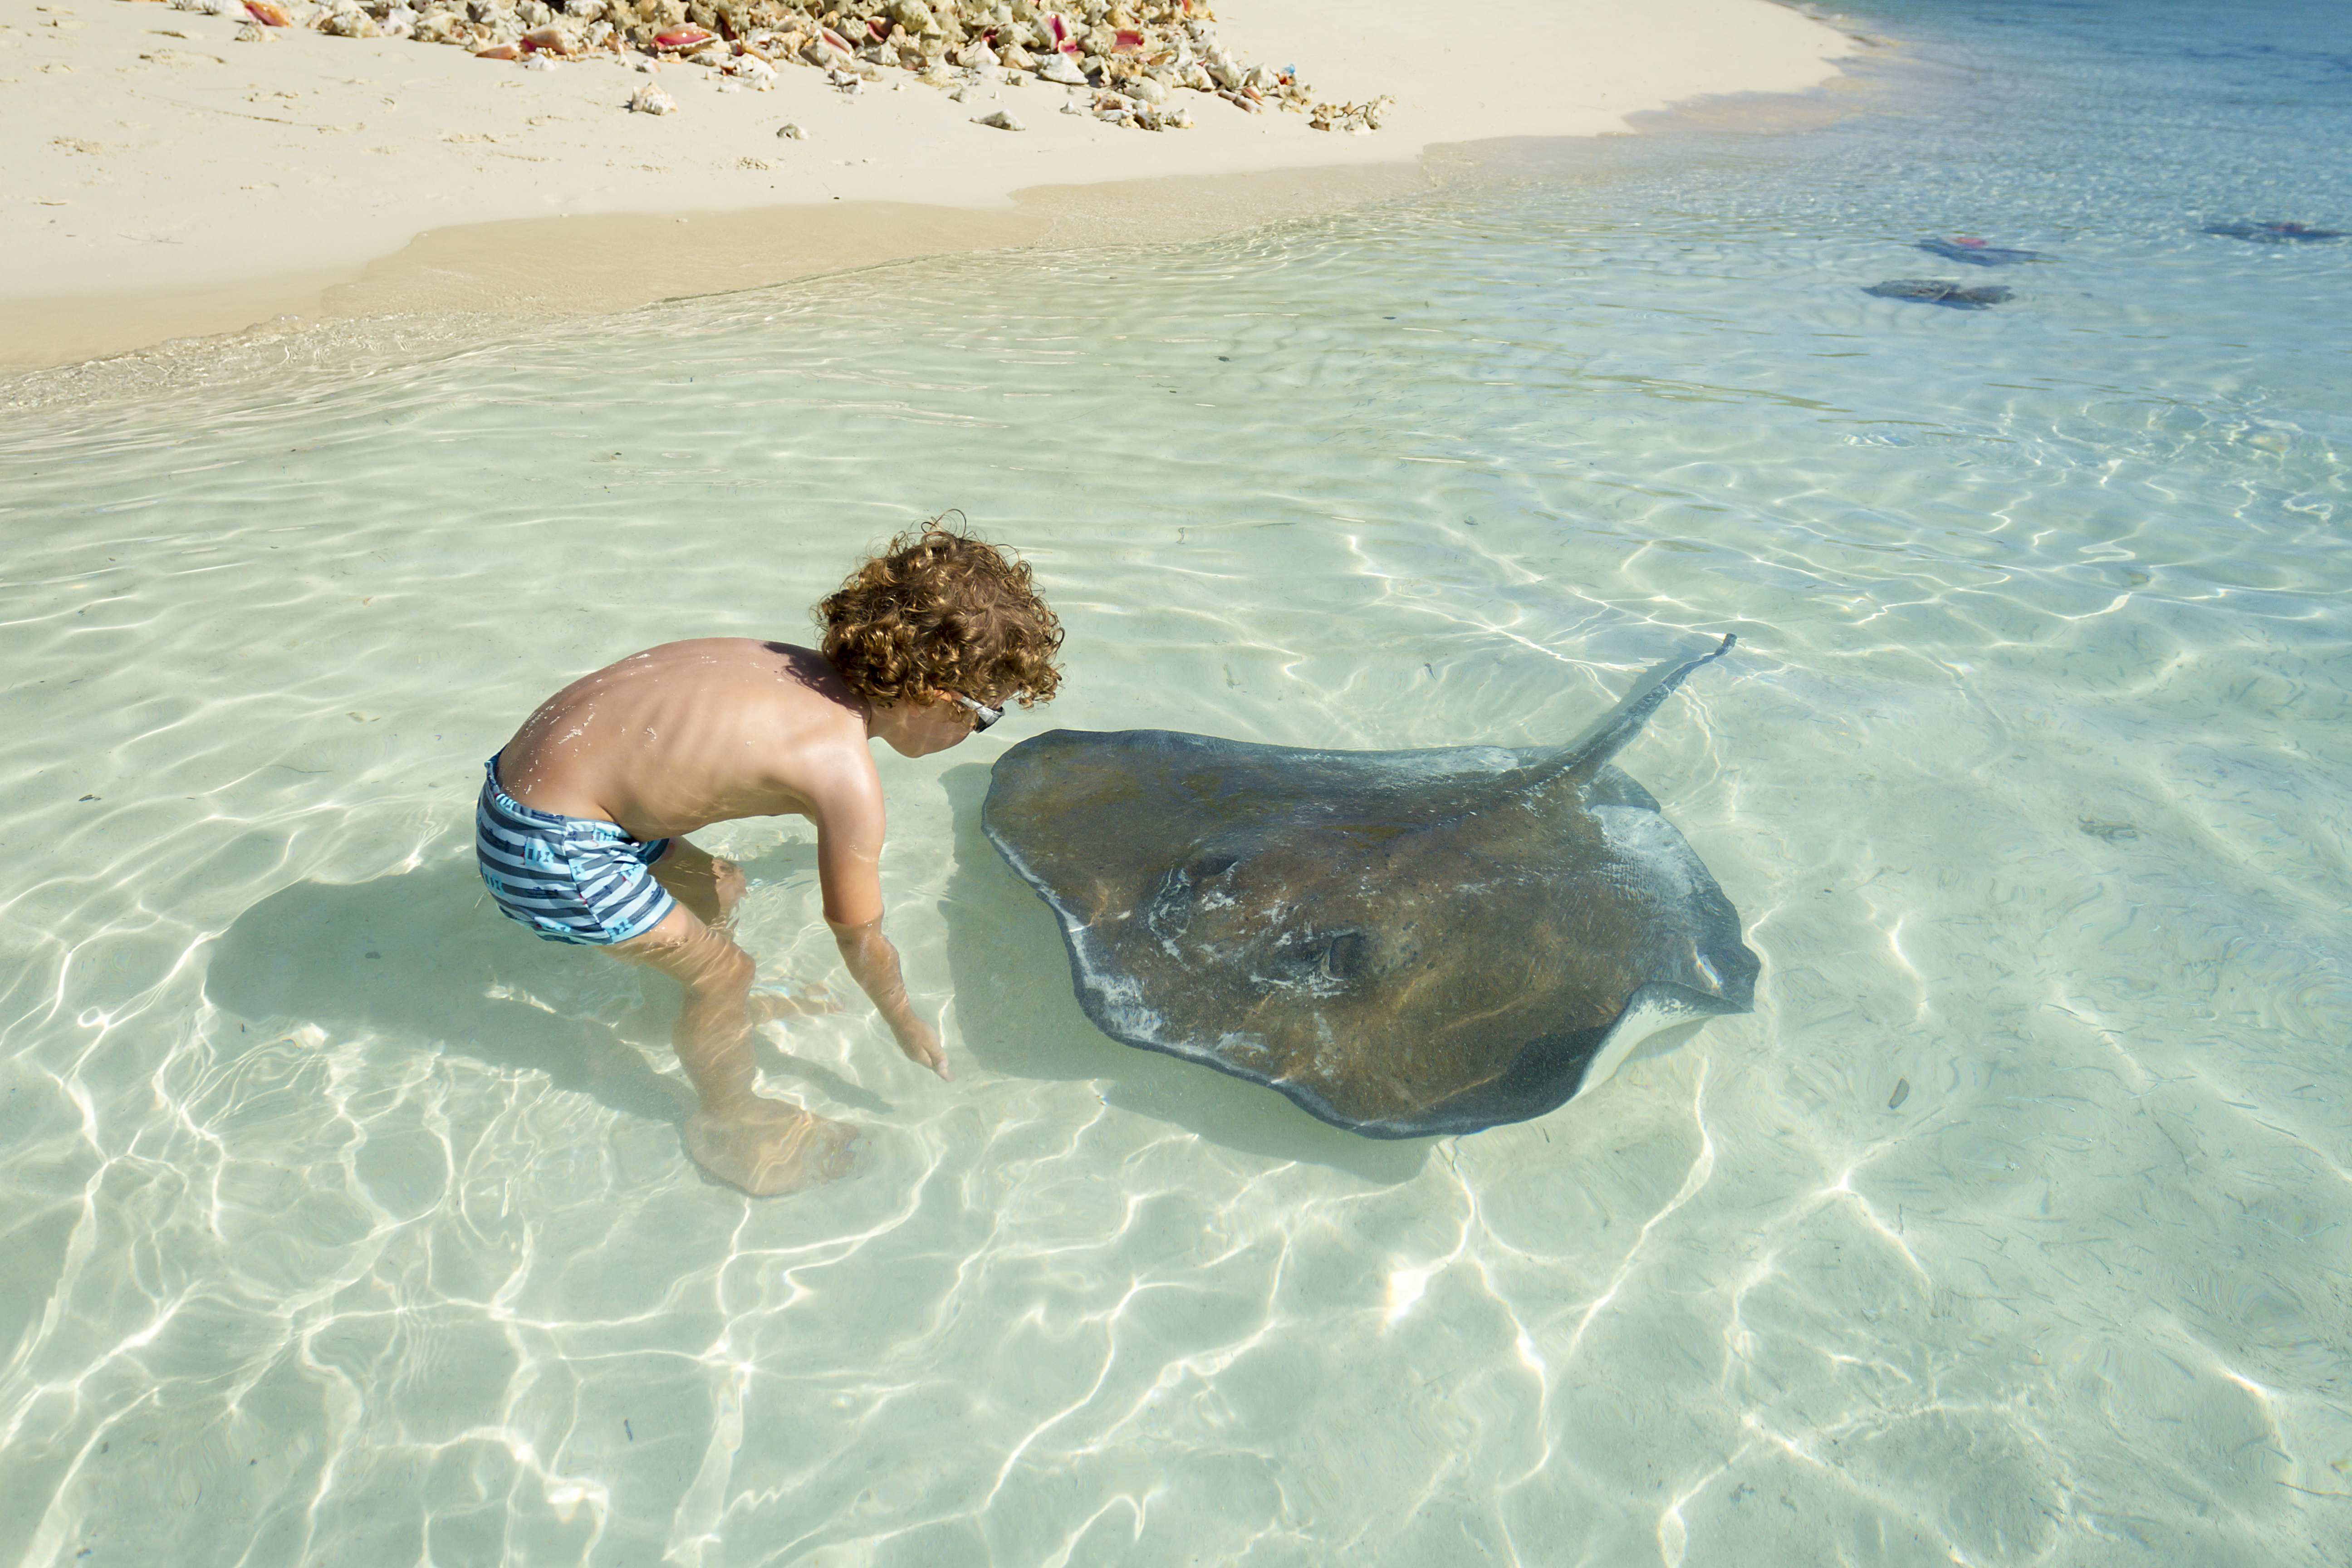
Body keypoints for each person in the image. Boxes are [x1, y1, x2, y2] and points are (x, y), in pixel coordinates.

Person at [474, 520, 1063, 1196]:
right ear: (934, 697)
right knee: (727, 974)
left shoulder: (783, 663)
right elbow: (859, 937)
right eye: (984, 716)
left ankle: (668, 1015)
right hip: (552, 850)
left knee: (719, 888)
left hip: (521, 793)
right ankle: (731, 1117)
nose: (976, 732)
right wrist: (905, 1022)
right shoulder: (841, 769)